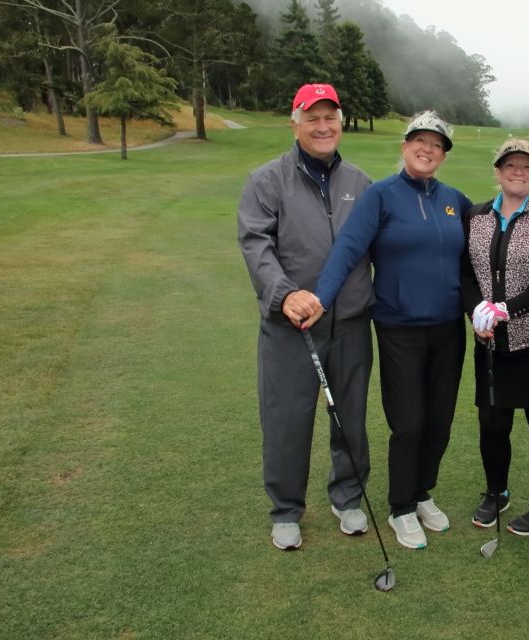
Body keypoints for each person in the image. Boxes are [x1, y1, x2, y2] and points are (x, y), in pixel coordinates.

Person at [307, 111, 472, 550]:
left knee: (439, 421)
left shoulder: (455, 201)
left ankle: (421, 492)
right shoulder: (381, 196)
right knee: (409, 422)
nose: (427, 149)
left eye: (436, 145)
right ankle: (401, 506)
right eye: (420, 141)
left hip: (448, 328)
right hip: (399, 327)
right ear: (405, 146)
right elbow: (348, 248)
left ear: (443, 155)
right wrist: (321, 298)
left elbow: (477, 257)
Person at [237, 83, 374, 550]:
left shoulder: (360, 183)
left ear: (340, 123)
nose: (322, 126)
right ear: (294, 124)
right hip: (290, 326)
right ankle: (286, 509)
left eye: (329, 117)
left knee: (350, 418)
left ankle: (348, 498)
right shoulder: (266, 181)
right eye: (311, 118)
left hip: (350, 323)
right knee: (286, 420)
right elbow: (256, 243)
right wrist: (285, 294)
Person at [460, 138, 529, 536]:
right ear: (498, 171)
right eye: (510, 165)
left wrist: (507, 308)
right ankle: (496, 491)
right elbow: (466, 274)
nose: (518, 172)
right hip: (490, 344)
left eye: (526, 166)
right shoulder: (476, 216)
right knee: (492, 423)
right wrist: (477, 310)